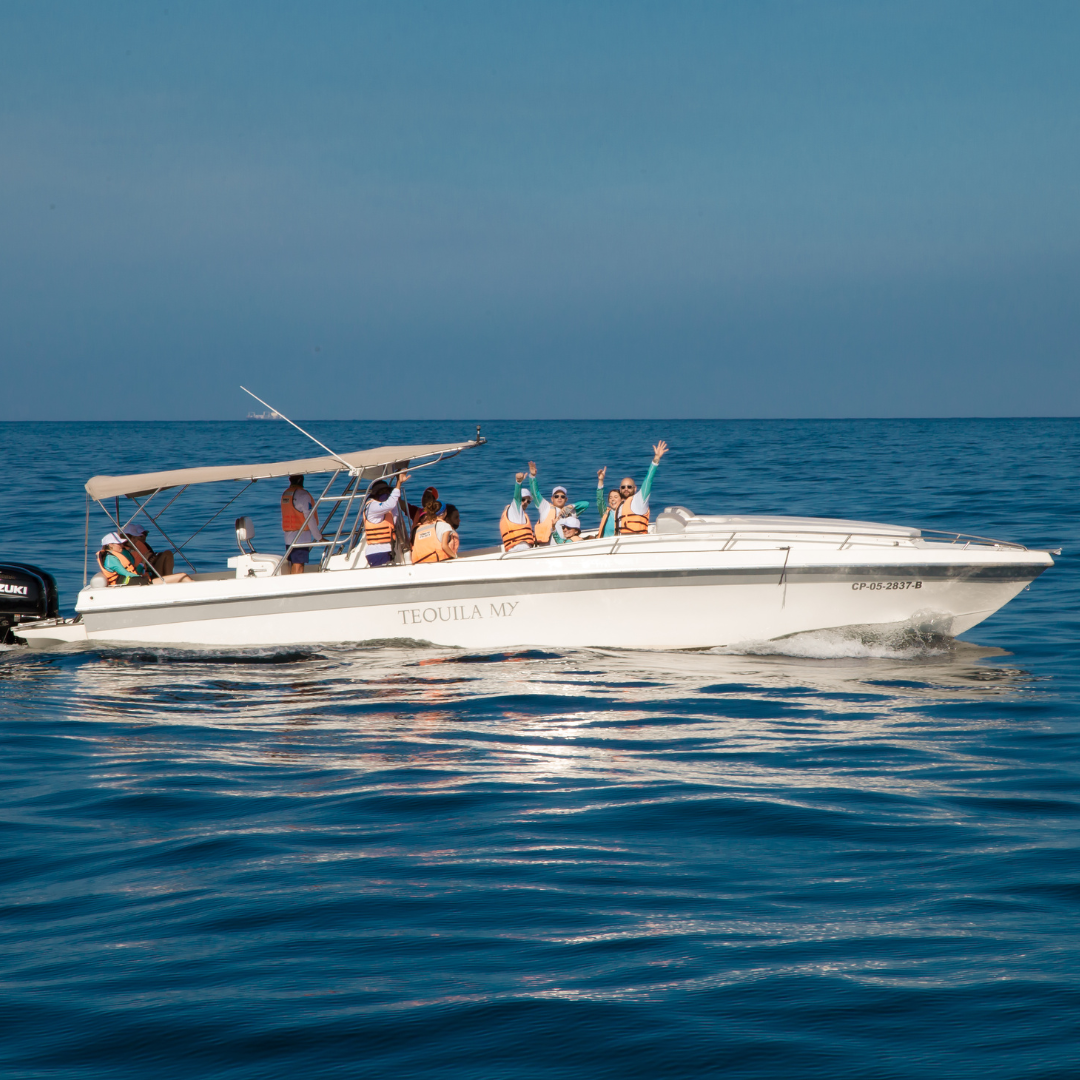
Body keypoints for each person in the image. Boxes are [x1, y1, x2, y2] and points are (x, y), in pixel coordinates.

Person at [527, 461, 589, 544]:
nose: (559, 498)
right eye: (556, 496)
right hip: (549, 549)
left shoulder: (571, 511)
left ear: (566, 499)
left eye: (562, 497)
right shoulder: (546, 508)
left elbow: (586, 504)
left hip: (566, 547)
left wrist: (571, 506)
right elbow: (535, 494)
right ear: (552, 499)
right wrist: (532, 477)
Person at [616, 441, 668, 535]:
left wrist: (656, 458)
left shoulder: (639, 499)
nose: (626, 489)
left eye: (629, 487)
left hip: (636, 541)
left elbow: (648, 480)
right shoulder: (620, 505)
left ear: (635, 489)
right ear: (620, 489)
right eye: (623, 487)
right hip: (620, 541)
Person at [99, 534, 191, 586]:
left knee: (182, 577)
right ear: (110, 545)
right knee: (182, 576)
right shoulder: (111, 559)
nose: (122, 546)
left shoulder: (114, 556)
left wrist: (143, 564)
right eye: (119, 544)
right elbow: (126, 573)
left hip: (139, 581)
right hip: (138, 583)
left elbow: (132, 571)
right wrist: (143, 576)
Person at [363, 472, 410, 567]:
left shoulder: (387, 508)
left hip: (389, 550)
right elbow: (390, 504)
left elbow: (394, 508)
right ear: (375, 494)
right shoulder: (372, 506)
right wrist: (398, 483)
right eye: (381, 492)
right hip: (377, 552)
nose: (385, 494)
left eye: (387, 491)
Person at [281, 474, 322, 575]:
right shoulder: (303, 495)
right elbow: (309, 518)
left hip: (288, 536)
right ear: (301, 480)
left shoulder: (286, 494)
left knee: (294, 564)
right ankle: (295, 587)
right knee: (299, 565)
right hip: (301, 537)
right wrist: (318, 537)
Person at [499, 473, 536, 551]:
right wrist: (518, 483)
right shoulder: (515, 509)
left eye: (528, 501)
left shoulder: (520, 515)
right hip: (519, 548)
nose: (525, 502)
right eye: (523, 499)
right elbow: (516, 498)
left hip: (516, 549)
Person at [595, 467, 620, 538]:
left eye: (615, 497)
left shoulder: (624, 512)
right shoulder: (605, 512)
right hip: (605, 545)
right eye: (610, 498)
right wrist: (601, 480)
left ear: (621, 500)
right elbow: (600, 499)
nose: (612, 499)